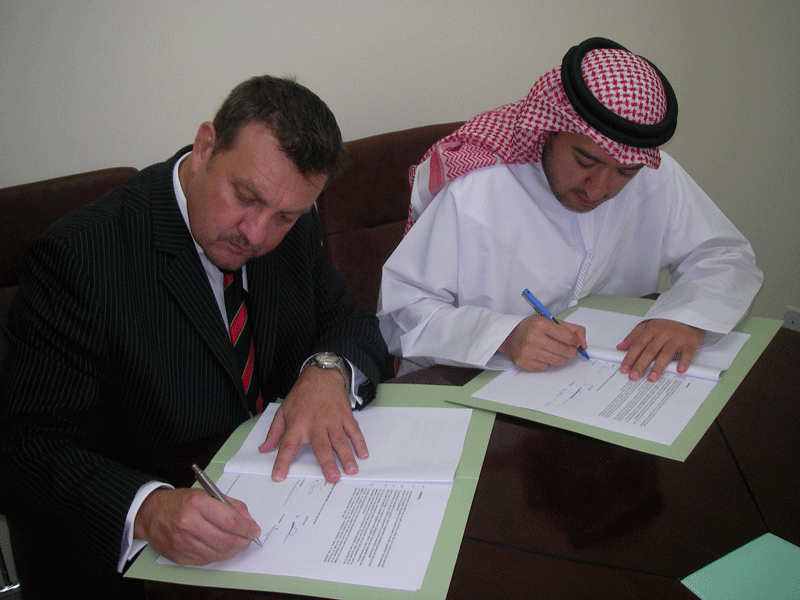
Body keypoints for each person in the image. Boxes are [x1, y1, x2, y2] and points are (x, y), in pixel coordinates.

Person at [0, 75, 388, 596]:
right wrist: (146, 509)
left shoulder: (290, 234)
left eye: (284, 216)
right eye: (245, 196)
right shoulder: (79, 258)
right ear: (206, 147)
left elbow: (354, 324)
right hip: (145, 570)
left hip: (286, 531)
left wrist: (328, 370)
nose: (256, 234)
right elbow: (25, 447)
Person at [378, 37, 762, 382]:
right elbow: (402, 314)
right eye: (585, 161)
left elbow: (725, 256)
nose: (599, 188)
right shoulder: (476, 190)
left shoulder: (655, 179)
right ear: (551, 130)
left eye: (624, 171)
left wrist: (686, 318)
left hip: (613, 387)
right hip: (474, 385)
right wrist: (502, 336)